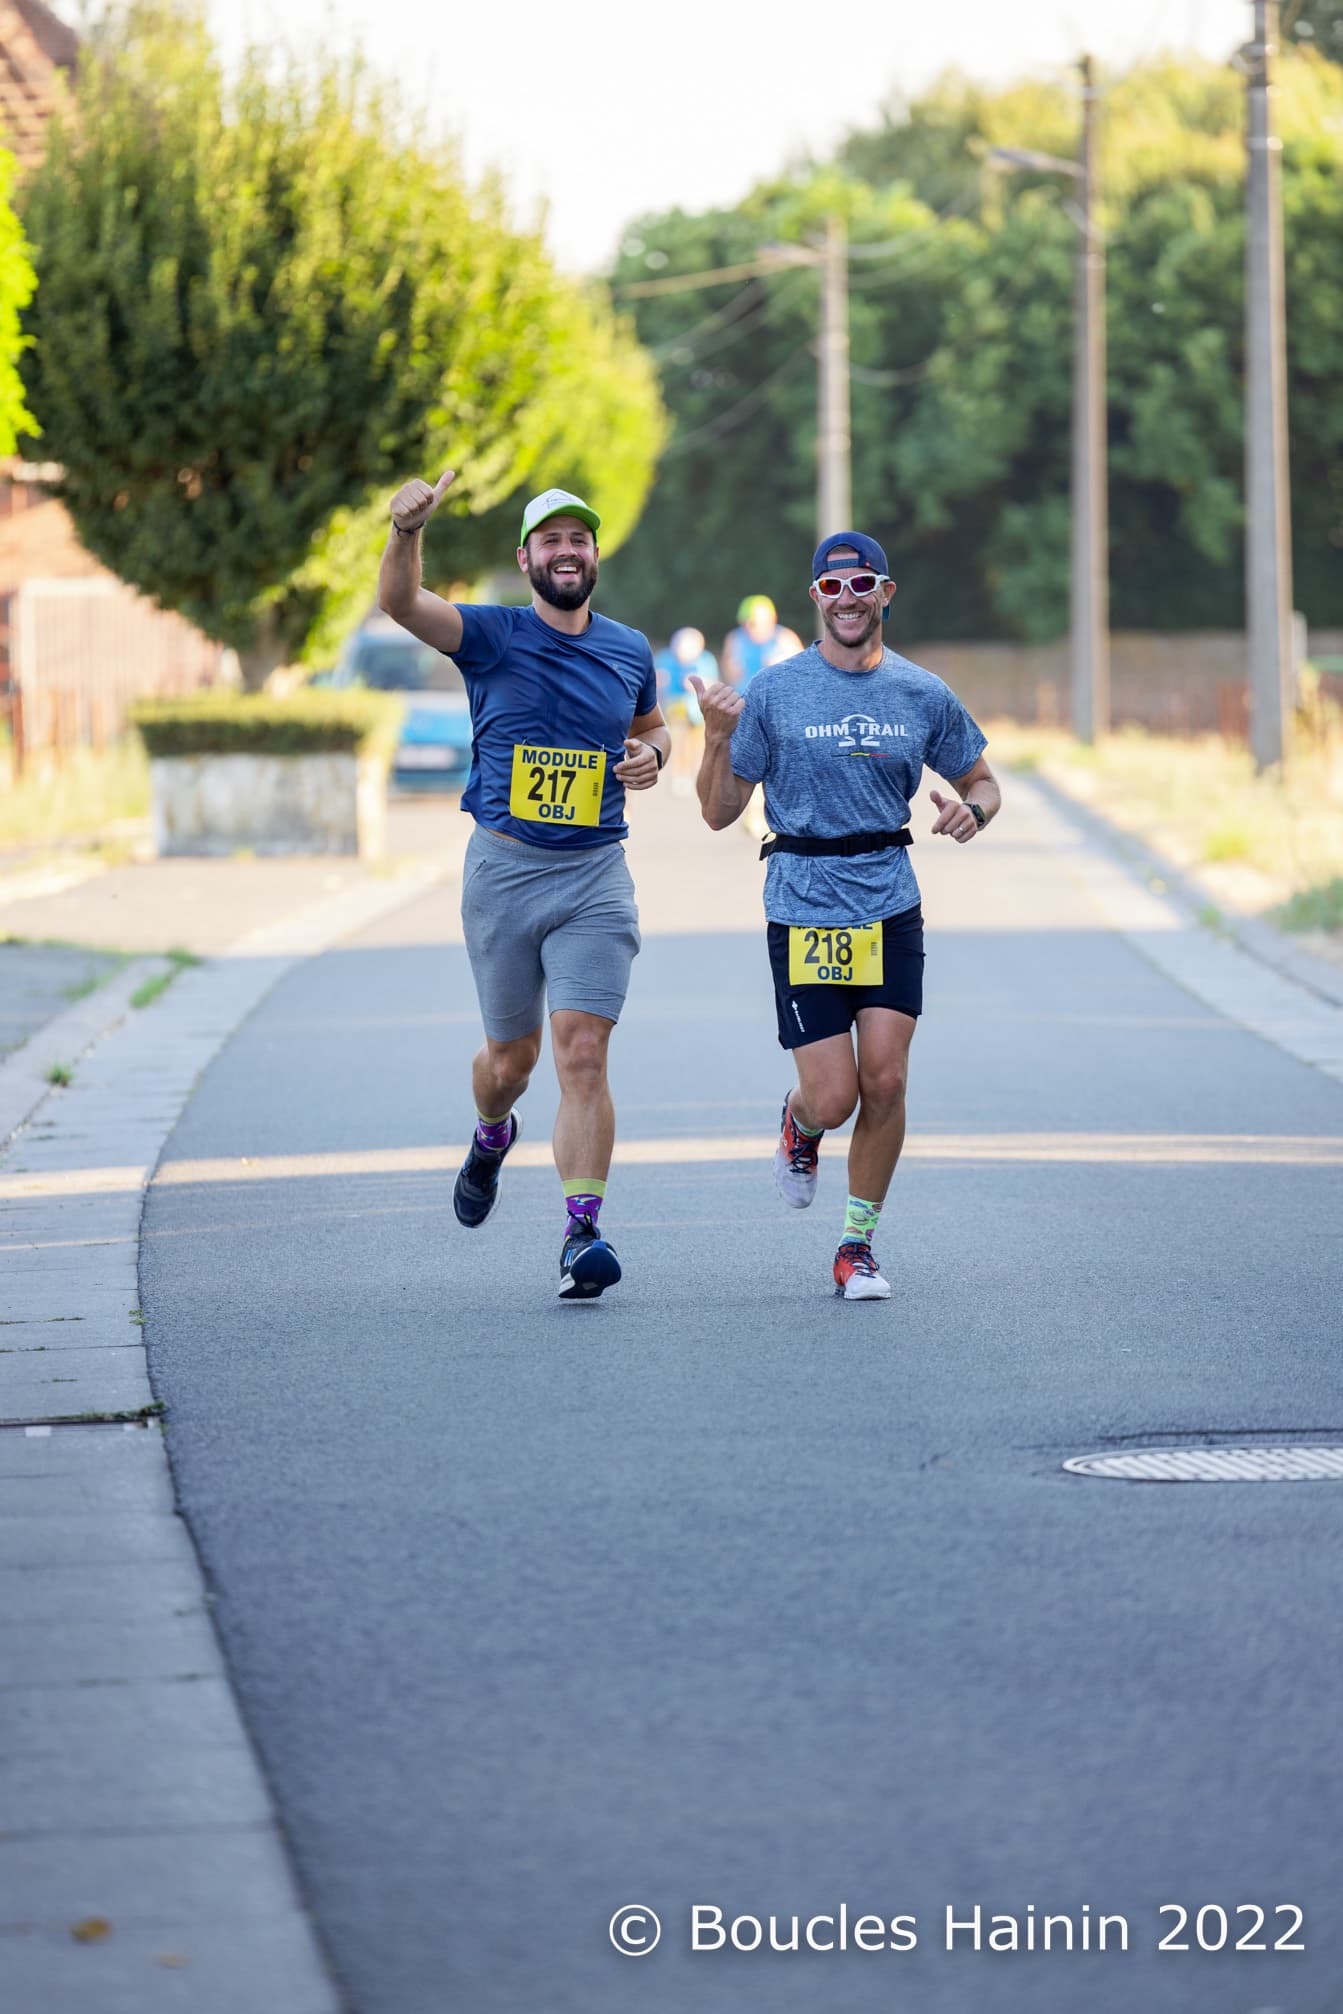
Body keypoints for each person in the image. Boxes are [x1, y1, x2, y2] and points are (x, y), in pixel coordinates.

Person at [377, 473, 669, 1300]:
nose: (566, 552)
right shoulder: (490, 634)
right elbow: (401, 605)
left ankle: (582, 1233)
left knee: (582, 1051)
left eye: (579, 539)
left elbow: (651, 728)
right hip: (504, 872)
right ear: (527, 557)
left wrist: (656, 756)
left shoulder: (627, 648)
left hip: (594, 874)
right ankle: (490, 1134)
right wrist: (405, 532)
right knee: (512, 1061)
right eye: (551, 540)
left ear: (594, 554)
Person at [691, 531, 1000, 1302]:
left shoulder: (921, 693)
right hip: (802, 905)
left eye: (862, 584)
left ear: (885, 594)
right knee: (833, 1097)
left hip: (888, 899)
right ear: (814, 601)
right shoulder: (771, 692)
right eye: (832, 588)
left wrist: (973, 813)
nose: (848, 598)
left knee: (885, 1079)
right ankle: (800, 1126)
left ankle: (855, 1245)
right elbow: (718, 813)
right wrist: (716, 739)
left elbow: (984, 781)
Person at [652, 625, 717, 796]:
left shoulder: (705, 660)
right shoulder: (666, 658)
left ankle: (688, 773)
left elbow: (712, 682)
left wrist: (699, 683)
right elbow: (655, 679)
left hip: (698, 709)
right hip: (675, 705)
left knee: (695, 743)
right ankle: (678, 774)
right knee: (678, 738)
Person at [720, 595, 803, 690]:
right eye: (744, 622)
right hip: (744, 698)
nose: (748, 628)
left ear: (771, 619)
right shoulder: (735, 639)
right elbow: (729, 677)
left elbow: (802, 672)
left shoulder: (785, 638)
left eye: (753, 623)